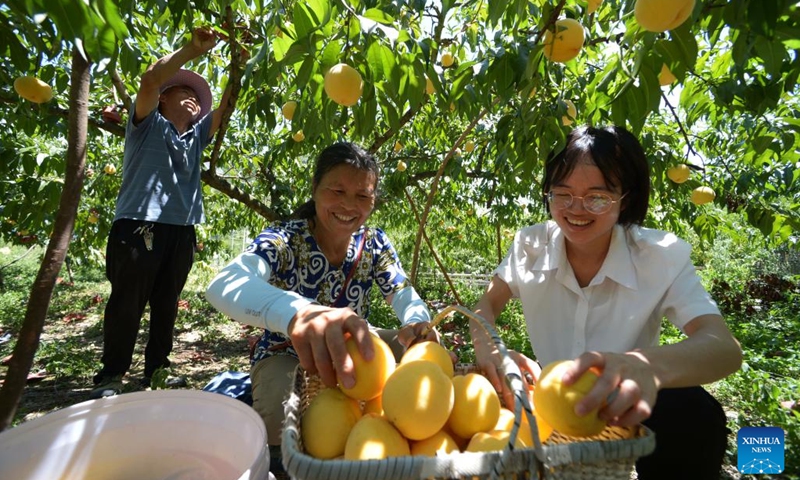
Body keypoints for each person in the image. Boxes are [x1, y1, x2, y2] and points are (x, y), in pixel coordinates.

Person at [470, 125, 742, 479]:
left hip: (627, 415)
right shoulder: (529, 245)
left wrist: (645, 366)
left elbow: (723, 348)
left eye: (597, 196)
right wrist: (488, 346)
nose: (576, 209)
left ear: (625, 198)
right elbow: (485, 305)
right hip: (552, 411)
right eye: (562, 194)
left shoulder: (660, 256)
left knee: (694, 412)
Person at [205, 141, 439, 478]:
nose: (348, 205)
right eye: (337, 190)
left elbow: (401, 291)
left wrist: (417, 323)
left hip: (354, 345)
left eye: (363, 196)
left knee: (419, 353)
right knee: (280, 420)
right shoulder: (285, 240)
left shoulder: (373, 243)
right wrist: (299, 313)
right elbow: (224, 284)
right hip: (286, 353)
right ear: (315, 190)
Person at [90, 27, 232, 399]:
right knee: (127, 301)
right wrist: (191, 50)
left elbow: (225, 107)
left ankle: (157, 369)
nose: (193, 101)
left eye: (196, 98)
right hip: (140, 224)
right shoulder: (146, 126)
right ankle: (112, 373)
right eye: (184, 93)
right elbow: (149, 80)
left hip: (181, 229)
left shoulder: (195, 139)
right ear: (164, 100)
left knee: (167, 303)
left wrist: (241, 63)